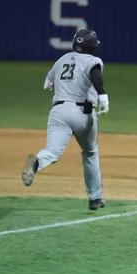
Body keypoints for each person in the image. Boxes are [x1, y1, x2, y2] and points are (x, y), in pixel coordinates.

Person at [21, 29, 110, 210]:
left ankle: (36, 163)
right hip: (82, 113)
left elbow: (47, 85)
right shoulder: (93, 61)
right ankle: (95, 198)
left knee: (52, 151)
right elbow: (96, 76)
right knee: (90, 152)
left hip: (58, 111)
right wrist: (103, 96)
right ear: (92, 47)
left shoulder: (60, 60)